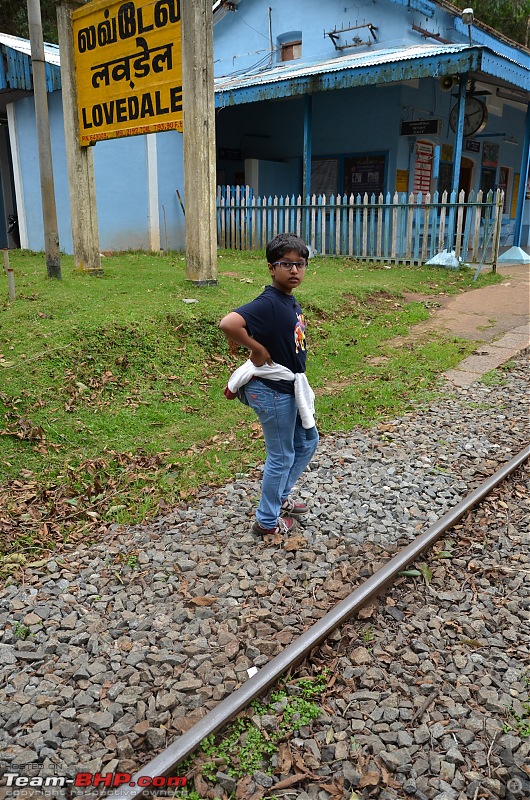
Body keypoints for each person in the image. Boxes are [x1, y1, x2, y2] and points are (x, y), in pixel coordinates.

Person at [219, 232, 319, 536]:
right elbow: (229, 323)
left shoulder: (288, 300)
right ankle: (266, 521)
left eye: (300, 264)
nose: (294, 270)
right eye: (285, 264)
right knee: (282, 454)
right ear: (271, 268)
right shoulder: (268, 302)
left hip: (287, 387)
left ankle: (279, 497)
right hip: (270, 390)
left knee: (307, 441)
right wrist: (258, 349)